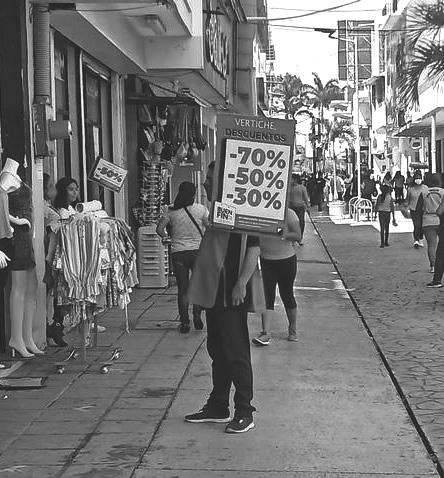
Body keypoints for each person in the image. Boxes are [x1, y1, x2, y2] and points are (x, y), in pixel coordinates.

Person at [185, 162, 263, 434]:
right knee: (217, 350)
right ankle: (218, 404)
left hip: (231, 292)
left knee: (235, 351)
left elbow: (253, 249)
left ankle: (244, 410)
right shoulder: (218, 211)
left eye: (210, 178)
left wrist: (241, 283)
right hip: (214, 292)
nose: (205, 183)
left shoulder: (243, 211)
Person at [156, 182, 209, 333]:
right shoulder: (201, 209)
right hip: (198, 252)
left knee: (183, 289)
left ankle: (185, 322)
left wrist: (167, 238)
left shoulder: (171, 210)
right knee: (197, 286)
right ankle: (197, 316)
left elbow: (159, 229)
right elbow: (209, 227)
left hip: (178, 252)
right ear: (194, 194)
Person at [252, 208, 301, 346]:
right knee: (267, 295)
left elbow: (298, 235)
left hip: (286, 259)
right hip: (266, 260)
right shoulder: (258, 212)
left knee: (287, 294)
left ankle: (292, 329)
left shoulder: (289, 213)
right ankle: (266, 333)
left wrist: (281, 233)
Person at [422, 174, 444, 274]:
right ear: (440, 181)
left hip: (427, 220)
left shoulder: (424, 192)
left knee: (431, 245)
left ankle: (433, 266)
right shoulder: (443, 192)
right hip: (440, 220)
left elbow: (419, 208)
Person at [406, 171, 429, 248]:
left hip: (423, 209)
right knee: (416, 225)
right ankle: (416, 240)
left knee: (422, 225)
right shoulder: (410, 189)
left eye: (419, 178)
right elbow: (408, 199)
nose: (418, 180)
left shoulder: (425, 188)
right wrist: (406, 207)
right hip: (414, 209)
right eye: (416, 178)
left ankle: (421, 239)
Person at [289, 174, 309, 244]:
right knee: (291, 223)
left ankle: (299, 238)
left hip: (300, 207)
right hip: (291, 208)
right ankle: (293, 239)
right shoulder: (289, 187)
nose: (290, 180)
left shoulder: (302, 187)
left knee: (301, 223)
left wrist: (308, 207)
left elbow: (306, 198)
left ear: (295, 180)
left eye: (291, 179)